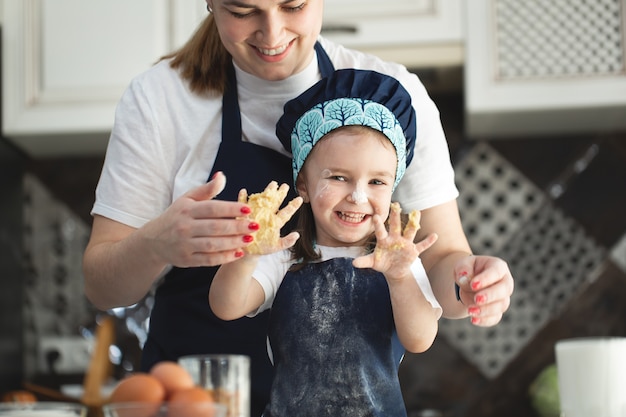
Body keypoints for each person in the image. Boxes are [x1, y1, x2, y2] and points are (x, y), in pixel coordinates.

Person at [82, 1, 514, 415]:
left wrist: (471, 281)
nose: (272, 33)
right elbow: (103, 288)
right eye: (243, 10)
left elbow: (440, 262)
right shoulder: (161, 100)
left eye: (293, 5)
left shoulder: (393, 100)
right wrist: (157, 244)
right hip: (198, 400)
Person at [210, 69, 442, 417]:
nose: (358, 196)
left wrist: (399, 278)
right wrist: (246, 256)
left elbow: (420, 340)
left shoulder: (398, 260)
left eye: (377, 181)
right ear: (303, 184)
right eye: (338, 177)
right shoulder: (285, 253)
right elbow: (227, 307)